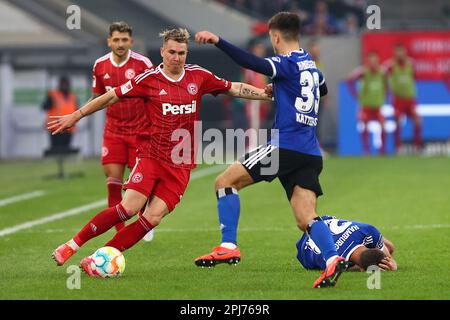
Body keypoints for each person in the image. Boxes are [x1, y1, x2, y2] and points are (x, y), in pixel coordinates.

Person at [48, 27, 271, 277]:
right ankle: (72, 245)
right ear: (163, 51)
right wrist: (76, 115)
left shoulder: (198, 77)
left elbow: (235, 88)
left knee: (152, 218)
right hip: (151, 156)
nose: (177, 58)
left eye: (182, 53)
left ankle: (97, 258)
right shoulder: (149, 79)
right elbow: (111, 96)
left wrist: (266, 94)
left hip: (181, 164)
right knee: (129, 208)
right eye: (172, 52)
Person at [195, 11, 350, 289]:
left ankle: (228, 245)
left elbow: (250, 62)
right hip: (310, 153)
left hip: (284, 148)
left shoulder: (286, 63)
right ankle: (332, 259)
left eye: (271, 38)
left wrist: (218, 40)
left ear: (275, 36)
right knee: (306, 218)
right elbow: (321, 90)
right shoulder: (311, 65)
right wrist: (281, 89)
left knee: (224, 183)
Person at [91, 21, 154, 239]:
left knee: (140, 183)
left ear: (131, 41)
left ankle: (144, 219)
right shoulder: (100, 66)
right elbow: (97, 97)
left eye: (124, 39)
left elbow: (154, 96)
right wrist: (78, 116)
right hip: (113, 131)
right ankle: (119, 231)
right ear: (109, 41)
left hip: (139, 132)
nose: (120, 43)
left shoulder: (143, 64)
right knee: (113, 183)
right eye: (116, 39)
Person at [296, 215, 397, 272]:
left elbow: (388, 257)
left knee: (390, 247)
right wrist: (394, 267)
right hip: (304, 249)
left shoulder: (370, 231)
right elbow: (389, 259)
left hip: (321, 222)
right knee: (389, 249)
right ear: (361, 269)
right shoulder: (332, 260)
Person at [347, 51, 388, 155]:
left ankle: (382, 151)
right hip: (366, 106)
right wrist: (354, 93)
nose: (373, 63)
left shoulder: (382, 72)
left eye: (375, 60)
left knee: (383, 125)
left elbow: (386, 85)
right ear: (368, 62)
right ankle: (366, 150)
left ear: (378, 61)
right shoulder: (363, 72)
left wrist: (385, 94)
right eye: (371, 61)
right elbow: (350, 79)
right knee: (364, 125)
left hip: (377, 106)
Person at [384, 43, 422, 153]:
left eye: (402, 52)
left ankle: (417, 147)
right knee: (397, 122)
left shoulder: (411, 64)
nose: (400, 54)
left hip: (410, 99)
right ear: (394, 53)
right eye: (398, 52)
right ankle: (398, 147)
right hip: (398, 99)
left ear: (405, 52)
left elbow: (414, 77)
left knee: (418, 121)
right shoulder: (390, 66)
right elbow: (383, 76)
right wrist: (388, 90)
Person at [42, 76, 78, 150]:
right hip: (55, 127)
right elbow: (44, 106)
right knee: (55, 150)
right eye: (63, 84)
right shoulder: (53, 95)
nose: (64, 86)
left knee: (66, 150)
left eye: (66, 84)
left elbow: (77, 110)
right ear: (59, 85)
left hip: (68, 127)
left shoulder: (73, 96)